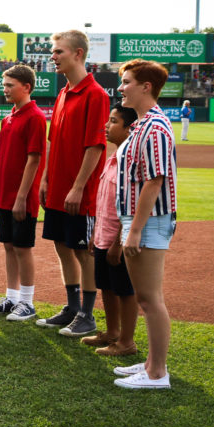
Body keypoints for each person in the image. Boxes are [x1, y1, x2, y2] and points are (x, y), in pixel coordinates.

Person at [36, 30, 109, 335]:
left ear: (78, 54)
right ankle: (72, 307)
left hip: (82, 191)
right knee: (62, 245)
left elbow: (95, 146)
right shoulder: (64, 92)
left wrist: (78, 187)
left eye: (58, 52)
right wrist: (44, 179)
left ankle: (88, 315)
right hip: (57, 188)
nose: (53, 57)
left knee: (83, 250)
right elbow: (52, 141)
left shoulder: (96, 94)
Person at [112, 60, 178, 390]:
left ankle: (157, 374)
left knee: (150, 299)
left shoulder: (155, 128)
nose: (121, 87)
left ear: (145, 87)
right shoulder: (142, 125)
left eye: (126, 82)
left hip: (149, 221)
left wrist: (135, 229)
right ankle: (153, 363)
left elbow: (154, 181)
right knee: (146, 298)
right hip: (140, 220)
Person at [0, 65, 47, 319]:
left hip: (22, 198)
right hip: (4, 194)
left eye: (10, 85)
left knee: (22, 247)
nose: (5, 89)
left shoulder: (35, 117)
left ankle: (27, 302)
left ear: (26, 87)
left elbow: (34, 159)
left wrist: (21, 197)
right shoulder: (9, 117)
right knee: (8, 245)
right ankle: (11, 297)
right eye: (4, 85)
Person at [84, 104, 140, 357]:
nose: (107, 126)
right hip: (103, 235)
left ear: (129, 128)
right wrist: (96, 233)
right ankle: (111, 332)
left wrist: (119, 242)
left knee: (124, 289)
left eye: (114, 121)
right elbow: (103, 201)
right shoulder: (112, 158)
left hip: (118, 238)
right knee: (105, 284)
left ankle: (126, 342)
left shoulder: (129, 161)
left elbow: (131, 205)